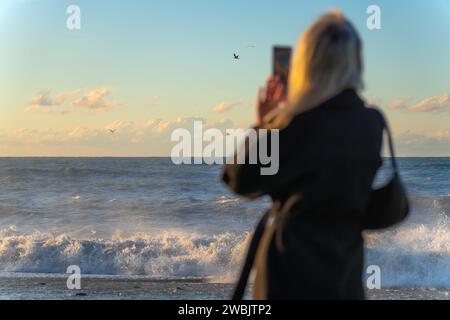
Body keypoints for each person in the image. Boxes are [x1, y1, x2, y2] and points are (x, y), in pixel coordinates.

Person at [222, 11, 387, 300]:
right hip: (345, 271)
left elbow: (241, 179)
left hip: (289, 271)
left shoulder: (295, 123)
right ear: (355, 61)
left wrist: (265, 123)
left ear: (306, 64)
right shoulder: (372, 122)